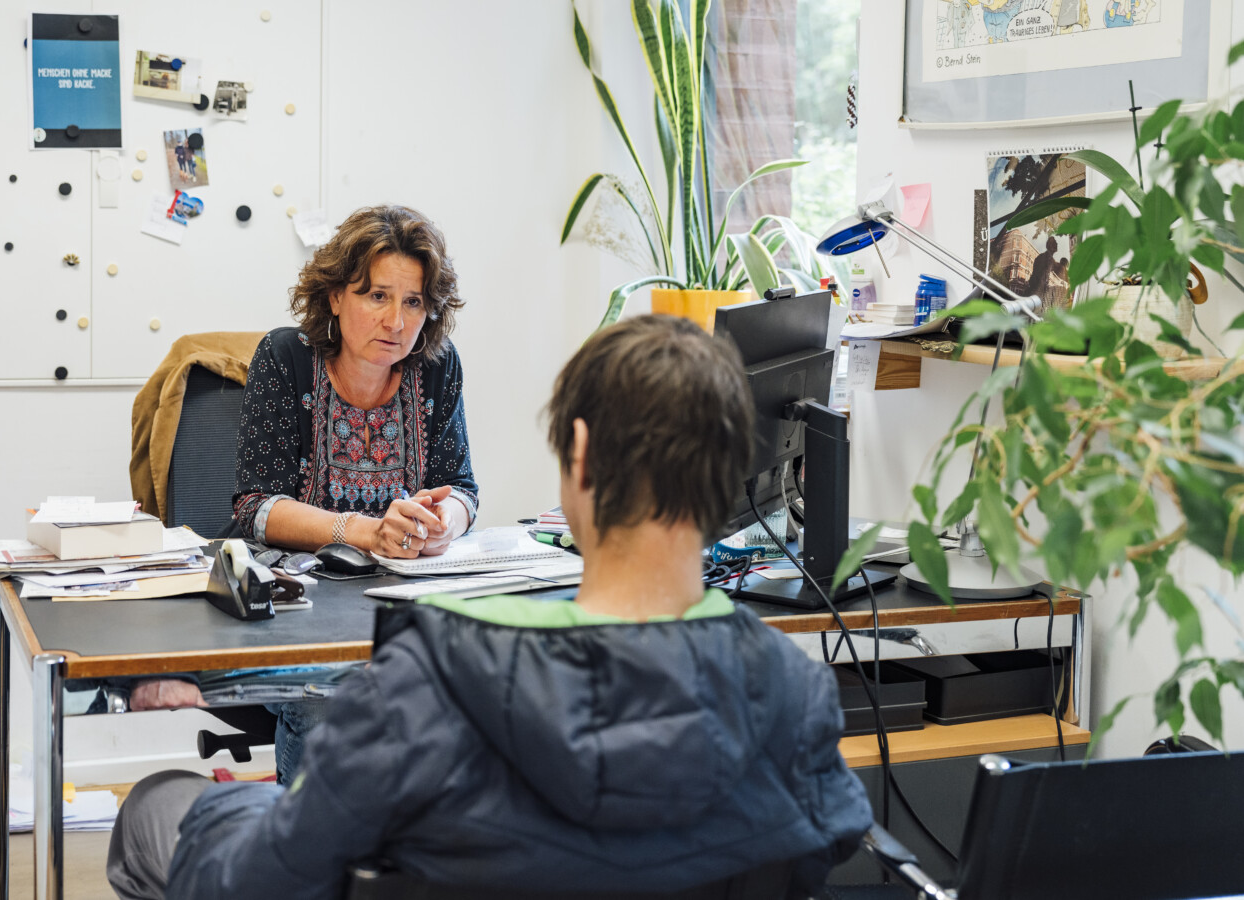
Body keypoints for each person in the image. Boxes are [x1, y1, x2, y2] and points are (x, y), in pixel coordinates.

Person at [107, 315, 872, 900]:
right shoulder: (791, 693)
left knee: (156, 806)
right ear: (737, 468)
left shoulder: (426, 685)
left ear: (577, 457)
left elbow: (278, 872)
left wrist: (211, 815)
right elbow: (822, 845)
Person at [132, 205, 480, 781]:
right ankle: (311, 855)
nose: (396, 320)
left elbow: (462, 488)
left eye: (414, 301)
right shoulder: (286, 358)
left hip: (402, 596)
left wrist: (446, 521)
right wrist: (362, 530)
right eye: (376, 295)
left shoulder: (437, 368)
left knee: (472, 690)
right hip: (302, 599)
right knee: (333, 701)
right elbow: (255, 509)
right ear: (337, 296)